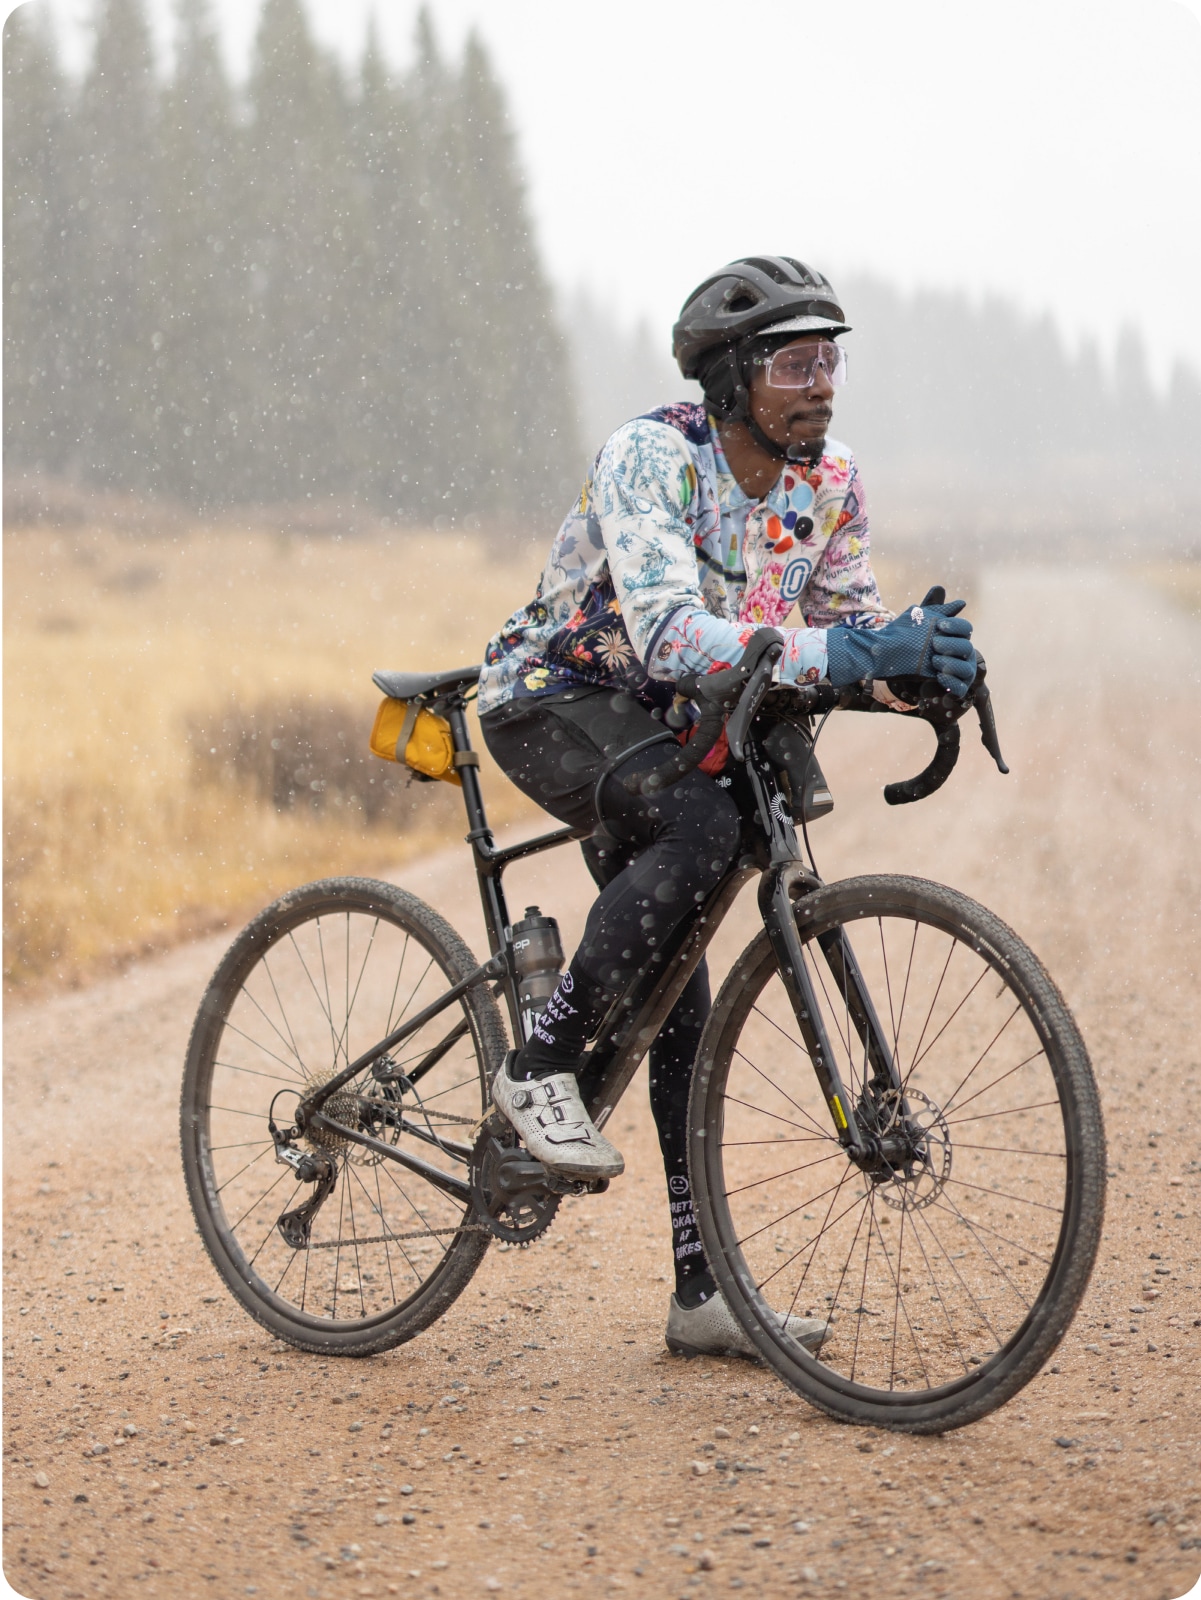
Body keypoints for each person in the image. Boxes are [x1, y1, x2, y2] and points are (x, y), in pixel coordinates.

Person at [476, 256, 977, 1359]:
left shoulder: (829, 480)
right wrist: (848, 646)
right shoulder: (651, 456)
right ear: (731, 377)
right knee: (701, 833)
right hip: (562, 695)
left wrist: (916, 668)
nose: (822, 384)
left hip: (690, 719)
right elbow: (664, 636)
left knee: (683, 984)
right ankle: (538, 1065)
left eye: (830, 359)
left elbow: (846, 626)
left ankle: (700, 1292)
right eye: (795, 363)